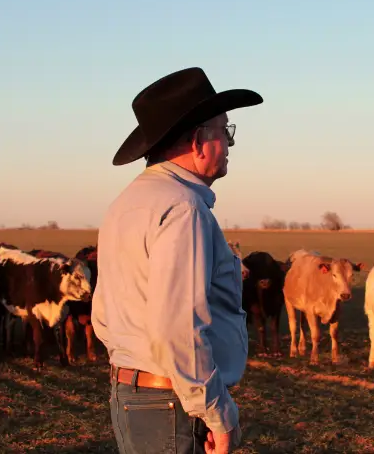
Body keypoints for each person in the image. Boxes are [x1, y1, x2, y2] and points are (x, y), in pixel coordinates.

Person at [92, 67, 263, 454]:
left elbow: (103, 317)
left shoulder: (126, 204)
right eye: (225, 131)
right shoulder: (184, 210)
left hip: (134, 394)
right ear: (201, 140)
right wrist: (217, 413)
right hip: (171, 401)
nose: (230, 144)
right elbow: (180, 329)